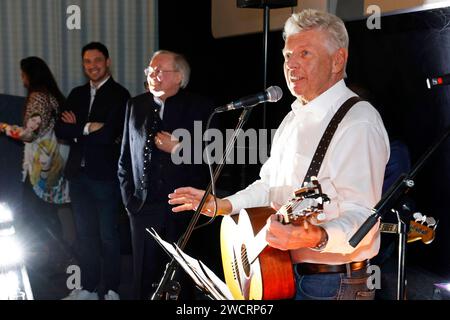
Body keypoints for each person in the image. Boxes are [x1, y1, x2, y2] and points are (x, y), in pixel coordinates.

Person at [169, 9, 391, 300]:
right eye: (287, 56)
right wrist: (223, 205)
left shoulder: (357, 121)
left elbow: (363, 216)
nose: (291, 64)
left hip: (331, 284)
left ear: (338, 60)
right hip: (282, 273)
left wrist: (319, 236)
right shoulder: (293, 116)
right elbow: (269, 185)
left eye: (305, 54)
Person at [118, 50, 214, 300]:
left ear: (179, 77)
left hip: (181, 208)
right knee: (142, 277)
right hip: (142, 207)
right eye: (150, 70)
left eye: (160, 71)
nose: (153, 75)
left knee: (182, 276)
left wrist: (179, 148)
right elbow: (125, 159)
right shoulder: (135, 105)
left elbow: (214, 158)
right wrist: (130, 200)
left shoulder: (201, 107)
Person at [55, 42, 130, 300]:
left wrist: (78, 130)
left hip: (105, 177)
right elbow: (60, 131)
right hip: (78, 176)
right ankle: (86, 288)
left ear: (107, 62)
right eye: (87, 62)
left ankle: (111, 290)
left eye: (97, 60)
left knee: (109, 236)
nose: (92, 66)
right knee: (84, 236)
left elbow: (109, 134)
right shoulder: (76, 94)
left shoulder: (120, 94)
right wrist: (88, 129)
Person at [0, 56, 70, 274]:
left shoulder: (38, 97)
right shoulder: (52, 97)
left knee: (35, 216)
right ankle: (55, 261)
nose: (22, 79)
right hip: (52, 164)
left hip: (40, 169)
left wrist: (2, 126)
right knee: (47, 214)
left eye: (23, 74)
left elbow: (29, 135)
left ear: (29, 74)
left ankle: (43, 263)